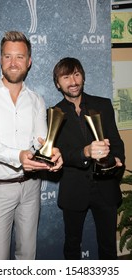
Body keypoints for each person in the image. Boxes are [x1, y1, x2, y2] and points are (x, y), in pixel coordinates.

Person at [0, 31, 63, 260]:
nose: (13, 63)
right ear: (0, 59)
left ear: (29, 62)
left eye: (19, 57)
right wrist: (18, 156)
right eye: (7, 56)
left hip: (31, 188)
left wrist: (52, 154)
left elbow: (41, 141)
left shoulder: (36, 100)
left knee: (27, 256)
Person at [52, 57, 125, 260]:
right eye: (66, 77)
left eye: (76, 74)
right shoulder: (53, 114)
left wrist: (117, 161)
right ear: (58, 83)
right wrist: (84, 152)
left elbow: (117, 144)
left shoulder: (103, 105)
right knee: (72, 246)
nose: (73, 81)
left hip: (106, 188)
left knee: (109, 246)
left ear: (83, 76)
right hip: (74, 189)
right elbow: (57, 154)